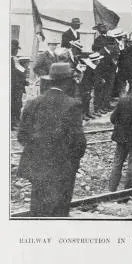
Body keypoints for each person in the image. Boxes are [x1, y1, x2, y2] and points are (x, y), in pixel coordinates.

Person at [16, 63, 86, 216]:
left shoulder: (32, 103)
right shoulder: (73, 105)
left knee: (37, 207)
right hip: (63, 168)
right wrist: (71, 161)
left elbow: (22, 136)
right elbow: (79, 142)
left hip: (37, 166)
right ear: (67, 82)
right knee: (58, 210)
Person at [11, 40, 27, 129]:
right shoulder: (12, 60)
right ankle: (12, 123)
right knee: (13, 104)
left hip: (18, 86)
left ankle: (15, 121)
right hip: (14, 86)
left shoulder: (15, 59)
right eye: (15, 49)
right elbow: (18, 72)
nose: (16, 51)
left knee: (17, 104)